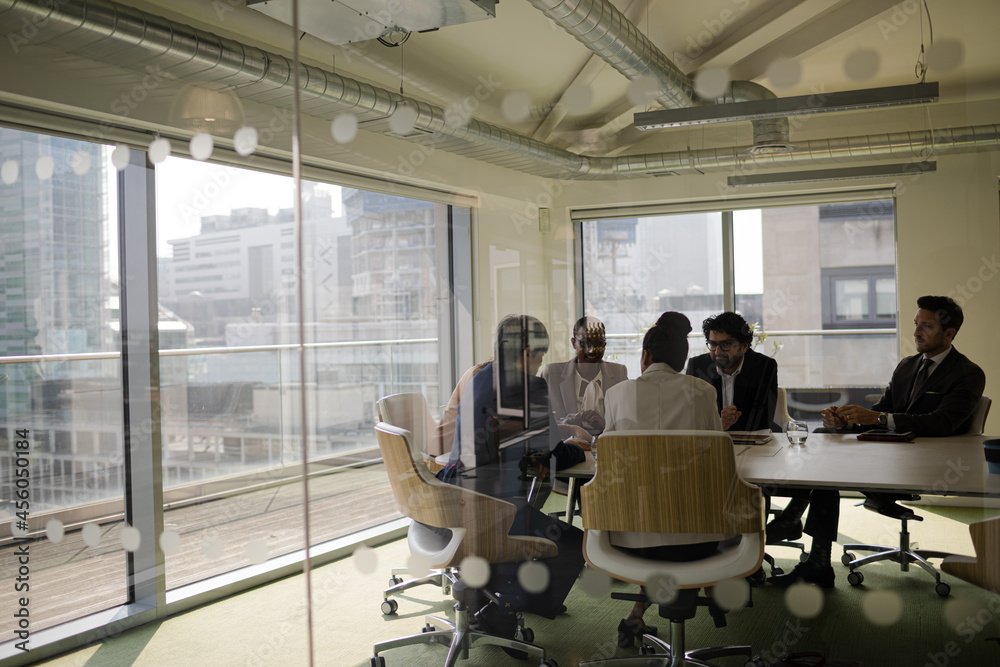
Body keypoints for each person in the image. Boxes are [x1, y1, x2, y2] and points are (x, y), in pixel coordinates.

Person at [768, 295, 986, 588]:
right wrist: (846, 420)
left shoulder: (968, 373)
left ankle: (800, 529)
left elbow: (943, 423)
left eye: (927, 326)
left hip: (928, 466)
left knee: (827, 468)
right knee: (825, 437)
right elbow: (884, 409)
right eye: (916, 324)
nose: (917, 332)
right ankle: (813, 557)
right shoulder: (908, 366)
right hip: (890, 457)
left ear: (950, 333)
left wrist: (879, 419)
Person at [438, 315, 591, 644]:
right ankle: (501, 614)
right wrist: (580, 450)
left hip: (450, 504)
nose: (539, 365)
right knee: (574, 545)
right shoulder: (529, 386)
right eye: (539, 356)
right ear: (525, 353)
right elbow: (551, 452)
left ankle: (495, 599)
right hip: (489, 512)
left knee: (532, 520)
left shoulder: (480, 377)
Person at [600, 311, 728, 645]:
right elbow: (717, 461)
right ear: (683, 361)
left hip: (629, 539)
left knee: (649, 506)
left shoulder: (616, 395)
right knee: (685, 511)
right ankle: (705, 588)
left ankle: (637, 615)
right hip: (697, 539)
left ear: (645, 356)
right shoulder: (702, 393)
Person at [686, 311, 779, 432]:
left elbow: (763, 418)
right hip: (711, 441)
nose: (718, 352)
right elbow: (690, 417)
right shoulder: (697, 367)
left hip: (753, 440)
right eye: (713, 344)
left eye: (726, 344)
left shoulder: (764, 367)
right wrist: (720, 424)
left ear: (744, 346)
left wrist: (728, 423)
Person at [540, 316, 628, 430]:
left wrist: (605, 425)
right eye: (585, 343)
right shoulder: (552, 374)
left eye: (599, 344)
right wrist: (567, 425)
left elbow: (627, 424)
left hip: (607, 445)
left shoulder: (619, 374)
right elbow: (540, 424)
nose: (591, 350)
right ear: (573, 343)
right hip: (567, 445)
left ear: (605, 345)